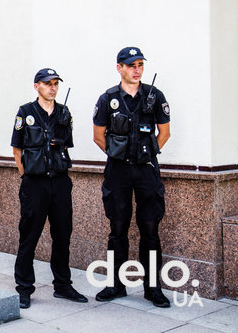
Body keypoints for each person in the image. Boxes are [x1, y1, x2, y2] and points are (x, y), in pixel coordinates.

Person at [92, 47, 171, 307]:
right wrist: (121, 154)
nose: (137, 69)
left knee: (150, 228)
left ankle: (152, 288)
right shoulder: (108, 99)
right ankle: (116, 284)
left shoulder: (154, 96)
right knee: (118, 229)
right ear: (120, 68)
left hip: (146, 169)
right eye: (131, 65)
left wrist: (145, 154)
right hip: (119, 171)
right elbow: (98, 136)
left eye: (140, 65)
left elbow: (164, 133)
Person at [11, 68, 87, 309]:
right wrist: (27, 177)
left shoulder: (64, 113)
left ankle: (63, 285)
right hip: (35, 184)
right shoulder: (26, 112)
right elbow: (17, 149)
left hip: (60, 182)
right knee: (29, 236)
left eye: (55, 83)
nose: (52, 88)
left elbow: (67, 145)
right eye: (47, 84)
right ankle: (24, 288)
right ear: (37, 86)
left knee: (62, 235)